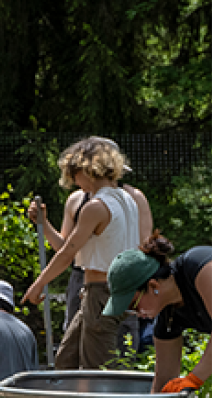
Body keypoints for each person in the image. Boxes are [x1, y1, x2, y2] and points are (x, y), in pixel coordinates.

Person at [28, 138, 153, 352]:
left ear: (88, 168)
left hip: (103, 290)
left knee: (98, 365)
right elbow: (69, 248)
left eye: (74, 174)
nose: (74, 182)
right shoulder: (123, 200)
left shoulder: (105, 203)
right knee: (69, 357)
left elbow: (68, 252)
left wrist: (39, 283)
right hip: (95, 287)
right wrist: (44, 225)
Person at [104, 238, 212, 393]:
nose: (137, 315)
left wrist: (194, 379)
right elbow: (163, 383)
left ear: (153, 286)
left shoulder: (199, 267)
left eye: (134, 305)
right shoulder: (168, 318)